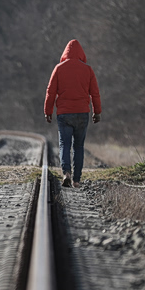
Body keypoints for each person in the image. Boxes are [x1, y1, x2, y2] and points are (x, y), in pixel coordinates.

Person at [43, 39, 101, 187]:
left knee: (65, 144)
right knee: (79, 146)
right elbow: (95, 93)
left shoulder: (59, 68)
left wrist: (48, 111)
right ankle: (76, 180)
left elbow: (50, 92)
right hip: (82, 113)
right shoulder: (88, 70)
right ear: (81, 54)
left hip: (64, 114)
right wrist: (97, 112)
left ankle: (66, 173)